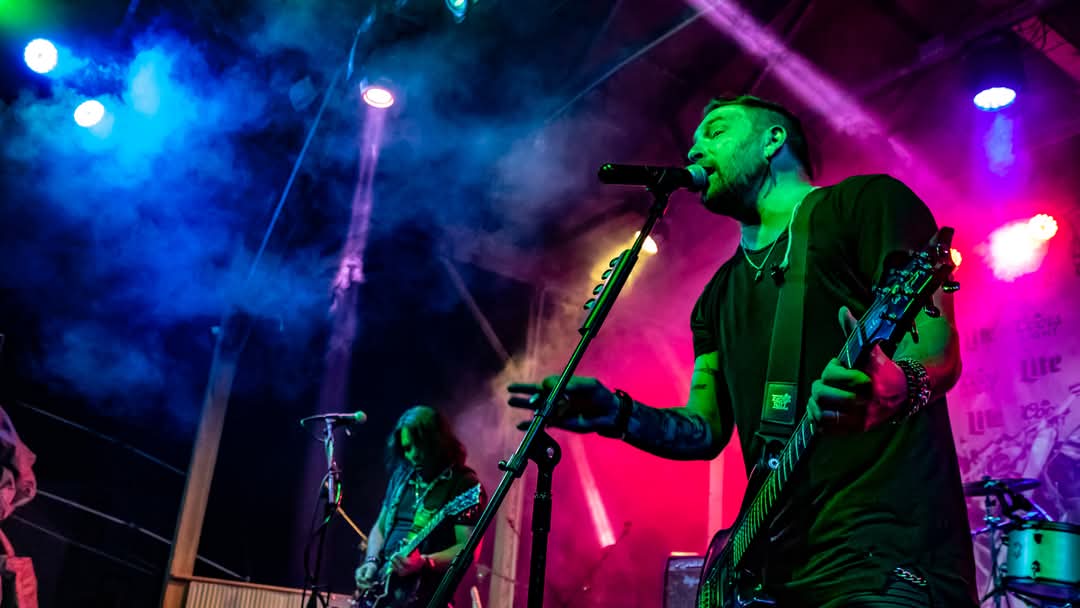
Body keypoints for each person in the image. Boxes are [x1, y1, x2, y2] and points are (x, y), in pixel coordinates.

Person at [508, 95, 977, 607]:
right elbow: (704, 429)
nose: (695, 149)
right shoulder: (715, 299)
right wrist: (617, 414)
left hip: (884, 560)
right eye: (693, 141)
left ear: (773, 141)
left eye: (715, 132)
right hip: (775, 572)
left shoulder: (865, 205)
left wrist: (899, 385)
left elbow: (938, 349)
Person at [355, 405, 486, 607]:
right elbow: (380, 528)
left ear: (438, 442)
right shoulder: (401, 477)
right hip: (383, 593)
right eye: (408, 448)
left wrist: (424, 561)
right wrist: (371, 561)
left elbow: (468, 550)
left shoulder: (463, 484)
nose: (414, 455)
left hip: (425, 598)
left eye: (420, 446)